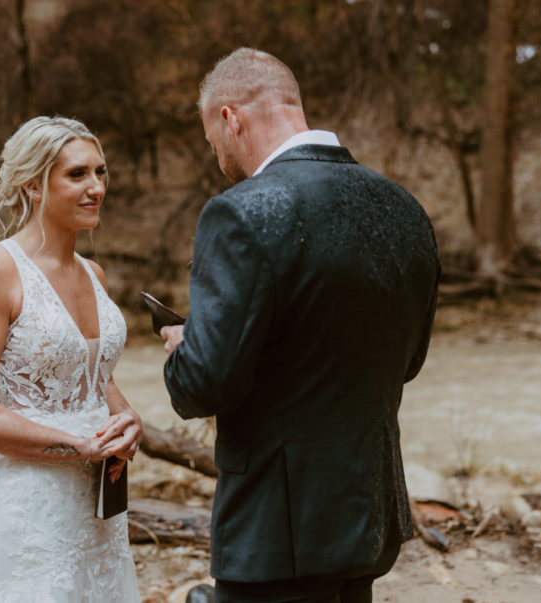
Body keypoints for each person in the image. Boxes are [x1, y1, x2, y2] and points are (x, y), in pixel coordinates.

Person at [160, 48, 441, 603]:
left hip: (276, 529)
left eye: (211, 141)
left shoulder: (240, 211)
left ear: (229, 118)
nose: (217, 157)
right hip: (369, 517)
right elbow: (408, 362)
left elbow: (202, 385)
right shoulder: (403, 207)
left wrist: (182, 347)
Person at [0, 116, 142, 602]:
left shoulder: (94, 273)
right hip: (24, 503)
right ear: (33, 183)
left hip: (96, 502)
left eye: (101, 172)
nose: (96, 187)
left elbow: (91, 377)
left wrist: (126, 418)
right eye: (77, 174)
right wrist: (79, 446)